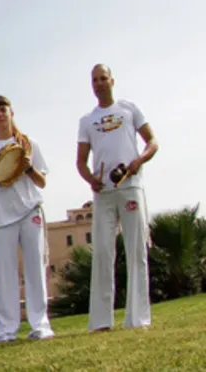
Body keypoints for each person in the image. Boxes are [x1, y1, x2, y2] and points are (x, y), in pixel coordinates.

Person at [76, 64, 158, 332]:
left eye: (103, 78)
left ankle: (137, 319)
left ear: (112, 80)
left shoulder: (129, 109)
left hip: (130, 187)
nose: (99, 83)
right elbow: (81, 162)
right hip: (104, 195)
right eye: (94, 80)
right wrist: (91, 180)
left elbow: (153, 142)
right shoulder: (86, 121)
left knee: (135, 251)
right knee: (102, 252)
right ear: (91, 85)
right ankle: (101, 321)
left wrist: (138, 161)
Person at [0, 95, 55, 343]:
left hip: (30, 210)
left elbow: (42, 182)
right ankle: (5, 330)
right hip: (1, 216)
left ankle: (40, 325)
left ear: (11, 113)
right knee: (5, 275)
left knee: (35, 270)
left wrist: (28, 167)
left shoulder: (29, 143)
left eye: (3, 110)